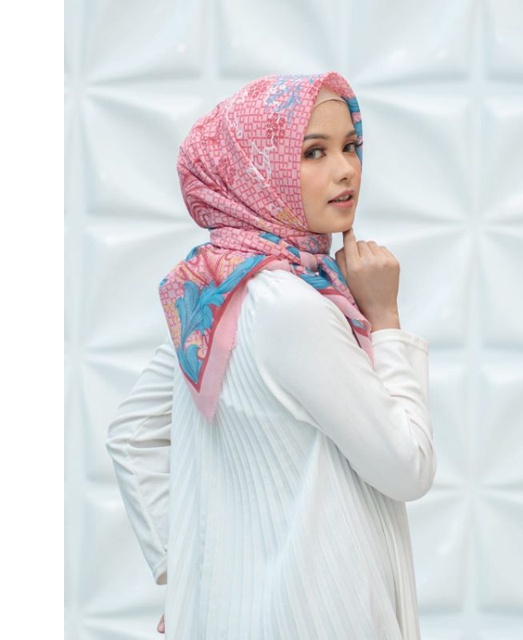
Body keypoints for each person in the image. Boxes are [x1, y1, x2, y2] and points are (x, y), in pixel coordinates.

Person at [106, 71, 436, 639]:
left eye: (351, 145)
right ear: (258, 168)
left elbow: (131, 433)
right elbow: (407, 467)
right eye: (313, 152)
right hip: (327, 615)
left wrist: (184, 573)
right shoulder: (291, 306)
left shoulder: (219, 293)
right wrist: (385, 318)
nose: (346, 169)